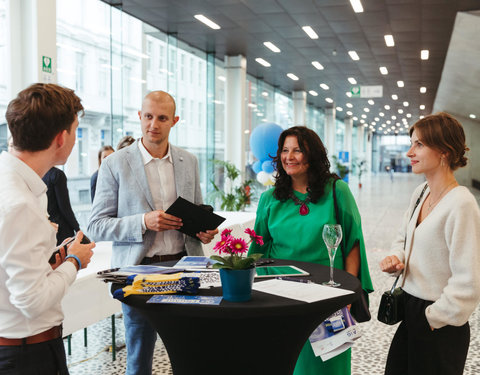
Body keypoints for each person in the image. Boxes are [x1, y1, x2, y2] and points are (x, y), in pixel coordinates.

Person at [88, 90, 218, 375]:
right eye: (148, 117)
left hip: (185, 269)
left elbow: (194, 212)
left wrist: (202, 232)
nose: (153, 125)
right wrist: (143, 221)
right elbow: (96, 225)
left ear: (175, 121)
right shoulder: (115, 164)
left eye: (161, 118)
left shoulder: (189, 162)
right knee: (139, 359)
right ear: (139, 116)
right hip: (139, 273)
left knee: (190, 355)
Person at [249, 126, 373, 375]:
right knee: (287, 362)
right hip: (280, 296)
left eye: (298, 150)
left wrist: (348, 291)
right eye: (284, 150)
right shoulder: (270, 198)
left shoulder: (337, 191)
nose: (289, 156)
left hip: (328, 294)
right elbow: (258, 248)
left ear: (312, 154)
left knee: (327, 365)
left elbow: (353, 243)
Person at [0, 83, 95, 374]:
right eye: (76, 131)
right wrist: (74, 261)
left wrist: (50, 259)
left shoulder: (17, 184)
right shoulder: (20, 203)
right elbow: (32, 301)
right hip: (27, 355)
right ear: (61, 137)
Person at [380, 112, 480, 375]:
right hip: (411, 311)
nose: (410, 152)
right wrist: (396, 256)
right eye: (412, 143)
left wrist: (433, 319)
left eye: (419, 144)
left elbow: (468, 281)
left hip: (439, 321)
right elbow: (403, 237)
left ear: (445, 151)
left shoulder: (462, 204)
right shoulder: (421, 192)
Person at [43, 167, 81, 245]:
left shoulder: (36, 174)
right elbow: (65, 207)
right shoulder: (57, 174)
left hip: (46, 228)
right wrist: (77, 228)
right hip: (62, 229)